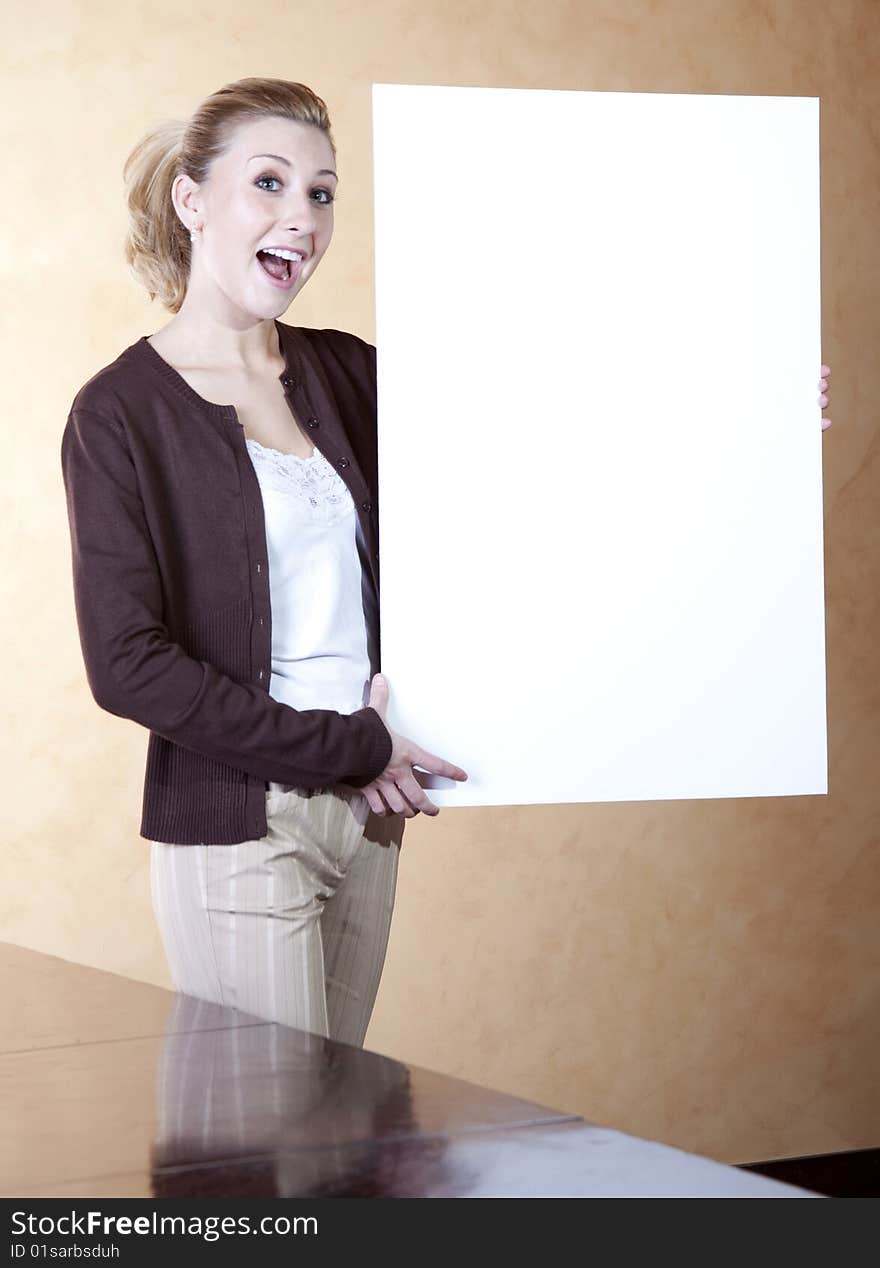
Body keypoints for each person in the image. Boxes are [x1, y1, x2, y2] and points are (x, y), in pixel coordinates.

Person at [60, 76, 468, 1048]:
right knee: (265, 1162)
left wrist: (759, 401)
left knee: (331, 1146)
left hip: (371, 819)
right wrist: (350, 748)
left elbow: (544, 427)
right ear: (192, 202)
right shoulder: (120, 414)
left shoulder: (351, 373)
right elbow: (129, 664)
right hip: (243, 825)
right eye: (271, 183)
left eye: (321, 192)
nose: (303, 217)